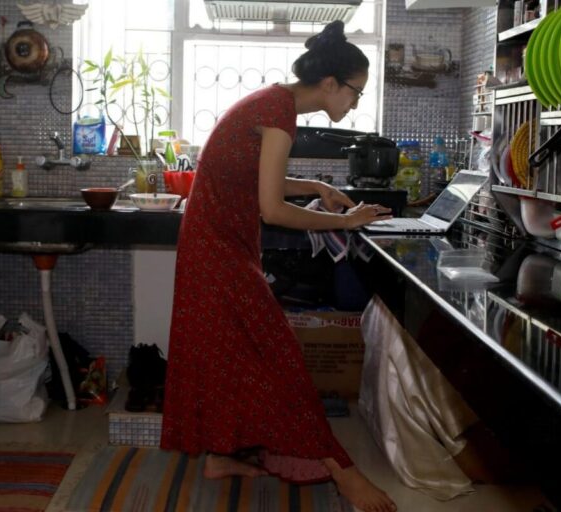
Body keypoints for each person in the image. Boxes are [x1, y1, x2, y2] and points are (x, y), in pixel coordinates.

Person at [161, 20, 398, 512]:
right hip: (216, 249)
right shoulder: (278, 112)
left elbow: (256, 178)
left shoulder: (274, 104)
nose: (355, 103)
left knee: (227, 353)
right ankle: (342, 471)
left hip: (221, 243)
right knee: (277, 353)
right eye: (355, 92)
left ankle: (218, 457)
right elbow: (271, 209)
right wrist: (346, 221)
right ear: (330, 83)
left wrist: (315, 187)